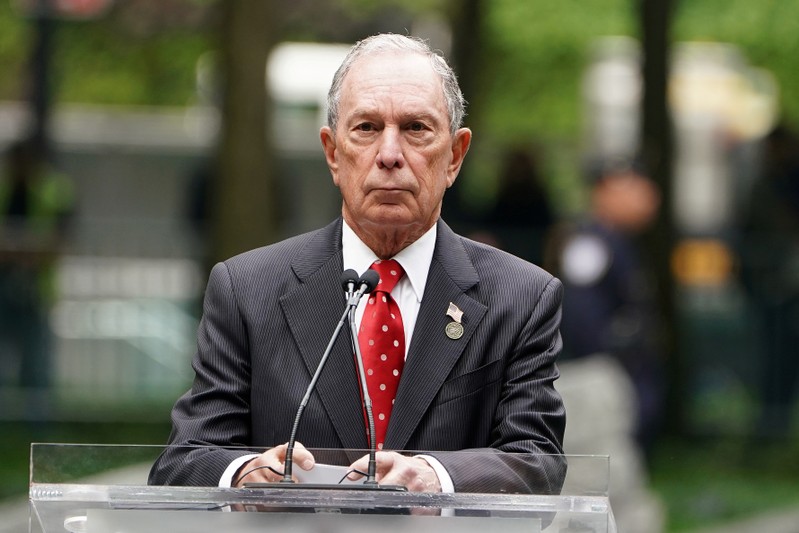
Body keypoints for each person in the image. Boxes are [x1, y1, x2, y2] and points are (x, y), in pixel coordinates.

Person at [149, 33, 566, 495]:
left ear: (454, 156)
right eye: (366, 128)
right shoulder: (247, 289)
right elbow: (186, 459)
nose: (389, 155)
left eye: (415, 129)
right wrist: (245, 474)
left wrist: (437, 475)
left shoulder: (521, 297)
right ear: (332, 152)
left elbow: (537, 461)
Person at [547, 158, 663, 455]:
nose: (647, 195)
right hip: (600, 376)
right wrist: (613, 357)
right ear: (605, 190)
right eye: (633, 186)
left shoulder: (619, 241)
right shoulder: (591, 245)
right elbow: (582, 319)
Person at [0, 139, 73, 398]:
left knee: (35, 361)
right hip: (5, 284)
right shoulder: (5, 188)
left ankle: (36, 423)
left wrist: (19, 249)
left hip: (36, 288)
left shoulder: (54, 190)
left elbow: (59, 241)